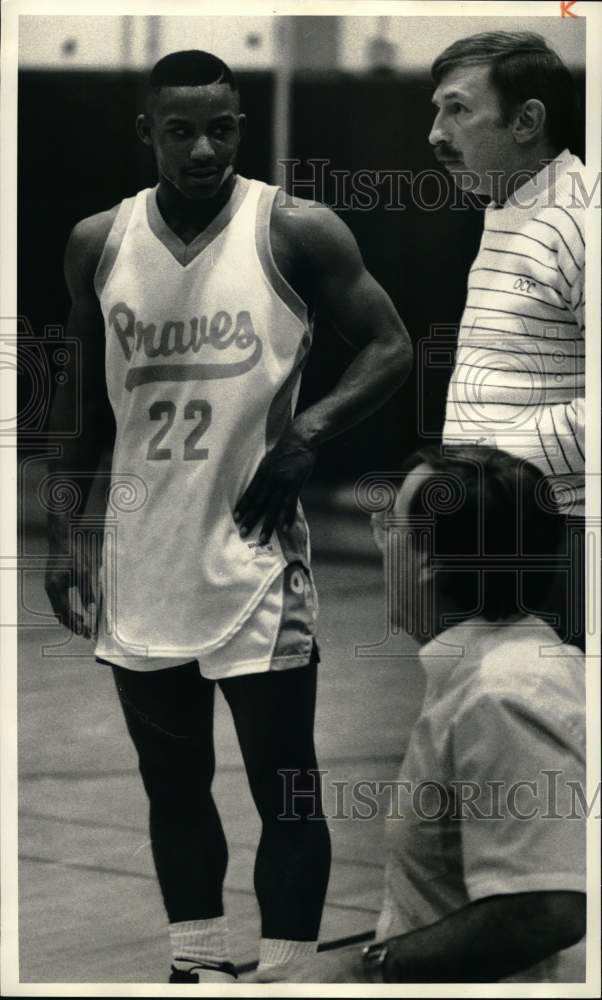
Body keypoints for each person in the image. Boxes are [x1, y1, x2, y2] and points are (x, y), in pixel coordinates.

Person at [43, 50, 413, 984]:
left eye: (223, 128)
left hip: (254, 557)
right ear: (147, 133)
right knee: (173, 785)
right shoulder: (99, 241)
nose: (204, 147)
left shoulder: (295, 230)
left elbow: (390, 346)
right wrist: (65, 532)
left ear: (241, 126)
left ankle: (285, 973)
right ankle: (197, 964)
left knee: (285, 786)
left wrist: (311, 432)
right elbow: (81, 405)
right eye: (181, 130)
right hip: (141, 556)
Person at [317, 444, 586, 983]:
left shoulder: (502, 694)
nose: (379, 542)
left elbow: (544, 910)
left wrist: (364, 971)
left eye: (387, 527)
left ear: (427, 561)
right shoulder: (499, 663)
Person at [428, 31, 586, 650]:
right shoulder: (510, 205)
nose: (435, 133)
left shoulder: (581, 219)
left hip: (558, 541)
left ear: (527, 120)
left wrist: (484, 471)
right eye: (436, 109)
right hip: (495, 530)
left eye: (458, 109)